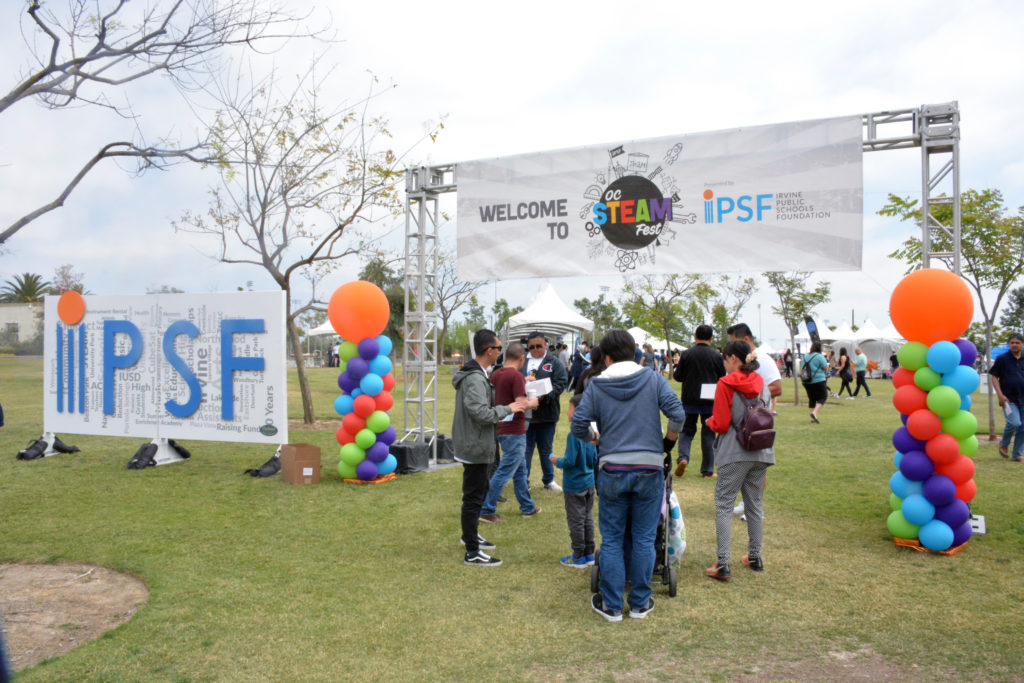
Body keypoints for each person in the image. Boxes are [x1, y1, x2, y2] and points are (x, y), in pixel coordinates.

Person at [571, 329, 687, 622]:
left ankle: (611, 605)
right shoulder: (652, 378)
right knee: (645, 538)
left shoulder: (598, 385)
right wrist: (668, 442)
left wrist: (594, 437)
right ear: (635, 352)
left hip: (611, 469)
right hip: (648, 470)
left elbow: (578, 425)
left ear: (607, 357)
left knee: (611, 539)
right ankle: (639, 602)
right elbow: (678, 414)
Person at [452, 329, 527, 566]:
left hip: (479, 442)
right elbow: (481, 413)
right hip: (475, 444)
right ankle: (472, 552)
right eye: (498, 349)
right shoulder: (474, 377)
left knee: (477, 492)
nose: (500, 353)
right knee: (474, 497)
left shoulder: (479, 373)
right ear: (489, 350)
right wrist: (510, 408)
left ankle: (470, 536)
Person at [704, 340, 774, 580]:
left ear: (733, 358)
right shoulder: (761, 382)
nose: (724, 363)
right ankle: (755, 557)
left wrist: (710, 422)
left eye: (725, 358)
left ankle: (722, 564)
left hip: (735, 451)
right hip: (761, 450)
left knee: (724, 505)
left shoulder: (725, 384)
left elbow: (722, 423)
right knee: (755, 505)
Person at [479, 343, 541, 523]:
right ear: (522, 358)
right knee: (505, 471)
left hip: (501, 427)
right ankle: (486, 509)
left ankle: (527, 507)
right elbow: (521, 404)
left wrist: (524, 382)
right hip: (515, 430)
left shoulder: (496, 374)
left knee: (520, 471)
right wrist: (534, 402)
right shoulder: (516, 375)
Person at [667, 324, 725, 478]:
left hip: (689, 399)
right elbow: (722, 377)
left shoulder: (687, 354)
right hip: (709, 400)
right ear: (711, 338)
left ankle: (683, 457)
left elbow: (678, 377)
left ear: (695, 336)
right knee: (708, 434)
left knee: (686, 431)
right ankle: (707, 470)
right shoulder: (717, 356)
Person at [552, 394, 598, 568]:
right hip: (589, 482)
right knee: (587, 518)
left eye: (569, 408)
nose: (566, 412)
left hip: (574, 485)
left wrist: (556, 460)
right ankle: (589, 554)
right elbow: (594, 459)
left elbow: (570, 461)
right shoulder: (592, 434)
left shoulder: (574, 435)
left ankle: (578, 556)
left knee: (576, 520)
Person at [522, 331, 568, 491]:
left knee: (546, 449)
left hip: (547, 414)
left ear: (546, 345)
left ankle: (549, 480)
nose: (534, 349)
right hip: (524, 414)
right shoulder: (522, 361)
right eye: (531, 347)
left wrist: (543, 397)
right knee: (525, 450)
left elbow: (561, 383)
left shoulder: (554, 362)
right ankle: (523, 481)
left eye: (538, 346)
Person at [989, 332, 1024, 462]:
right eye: (1012, 343)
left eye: (1017, 343)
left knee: (1023, 427)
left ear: (1022, 344)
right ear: (1009, 344)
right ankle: (1004, 443)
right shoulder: (1002, 359)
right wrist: (1000, 395)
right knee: (1014, 422)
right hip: (1008, 398)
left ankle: (1017, 454)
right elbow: (994, 376)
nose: (1014, 345)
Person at [801, 341, 829, 423]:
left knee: (811, 398)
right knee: (823, 396)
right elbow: (825, 368)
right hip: (818, 380)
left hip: (806, 380)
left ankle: (813, 418)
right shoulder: (819, 356)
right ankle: (814, 412)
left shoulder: (805, 356)